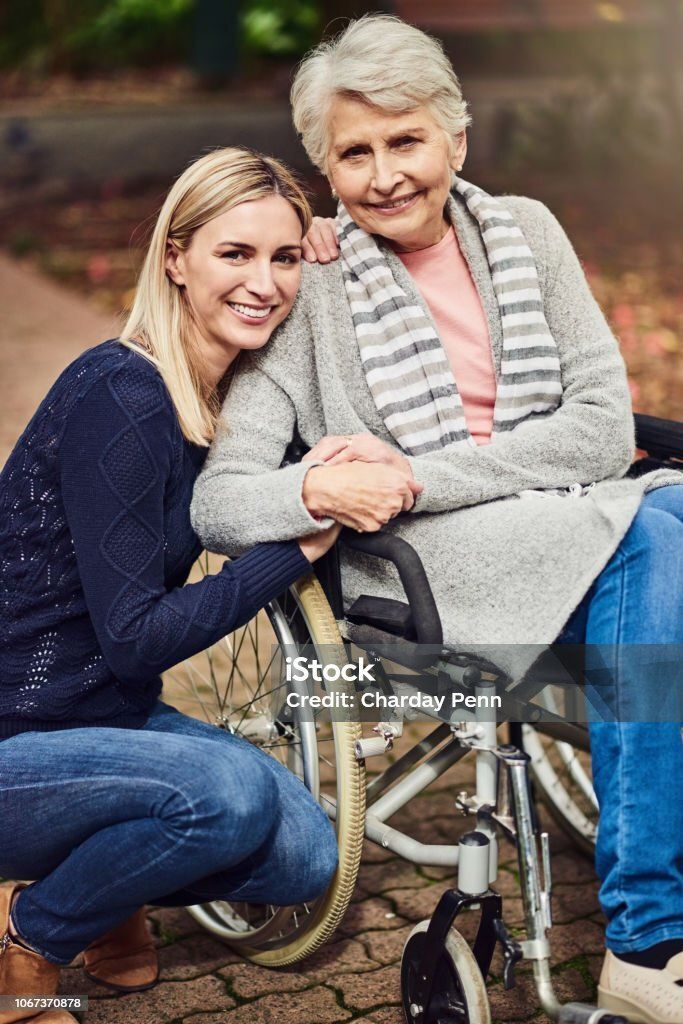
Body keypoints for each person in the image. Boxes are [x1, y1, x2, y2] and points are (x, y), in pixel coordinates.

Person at [190, 17, 683, 1023]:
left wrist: (414, 470)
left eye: (403, 140)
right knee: (656, 530)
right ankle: (644, 937)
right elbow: (221, 495)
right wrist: (323, 491)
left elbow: (597, 430)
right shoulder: (309, 287)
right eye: (353, 153)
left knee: (658, 529)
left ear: (453, 138)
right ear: (324, 168)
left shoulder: (528, 232)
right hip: (426, 568)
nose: (383, 174)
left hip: (566, 518)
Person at [0, 147, 341, 1024]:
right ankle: (33, 939)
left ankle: (105, 896)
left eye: (284, 257)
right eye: (235, 253)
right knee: (224, 798)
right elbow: (138, 639)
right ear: (175, 259)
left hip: (103, 719)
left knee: (307, 859)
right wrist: (291, 552)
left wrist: (351, 257)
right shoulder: (126, 393)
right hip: (16, 728)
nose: (263, 282)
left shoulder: (228, 401)